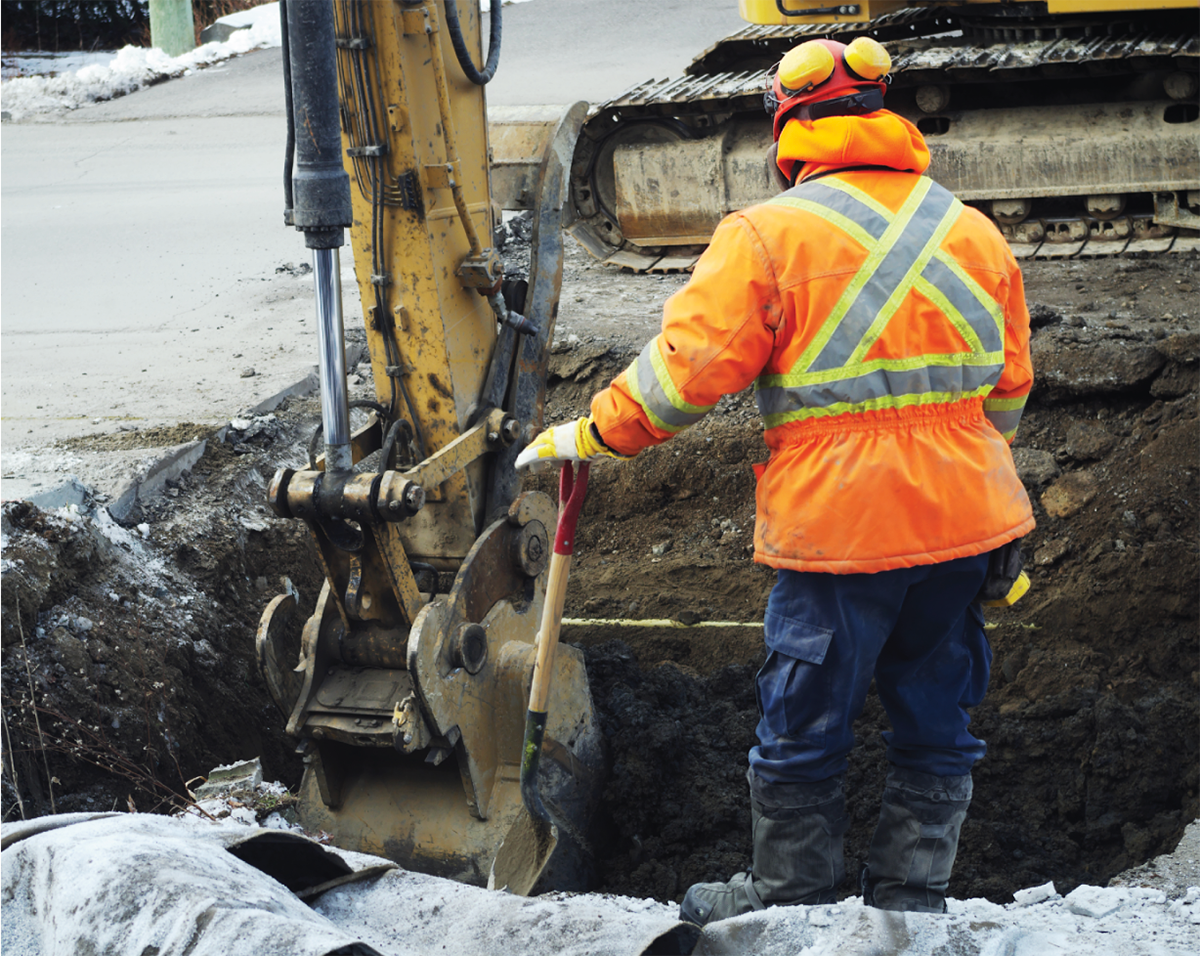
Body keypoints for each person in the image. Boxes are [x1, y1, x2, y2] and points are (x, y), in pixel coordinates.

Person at [515, 35, 1034, 924]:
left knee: (804, 723)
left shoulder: (764, 235)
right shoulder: (971, 229)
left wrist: (591, 433)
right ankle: (912, 898)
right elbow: (1009, 389)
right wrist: (978, 486)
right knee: (938, 717)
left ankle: (789, 894)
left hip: (841, 533)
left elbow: (682, 379)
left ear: (788, 131)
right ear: (886, 121)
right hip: (967, 525)